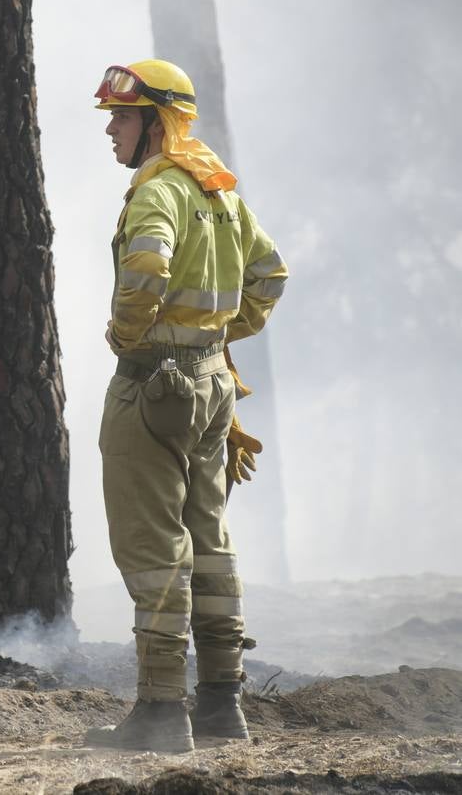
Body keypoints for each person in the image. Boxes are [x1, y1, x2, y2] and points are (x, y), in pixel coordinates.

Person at [84, 59, 288, 753]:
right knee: (209, 542)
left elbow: (145, 267)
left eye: (122, 116)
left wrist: (128, 334)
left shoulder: (158, 193)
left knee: (153, 550)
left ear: (155, 122)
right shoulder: (219, 190)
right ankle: (224, 706)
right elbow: (270, 273)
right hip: (210, 386)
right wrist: (221, 333)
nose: (111, 129)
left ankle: (162, 715)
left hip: (153, 387)